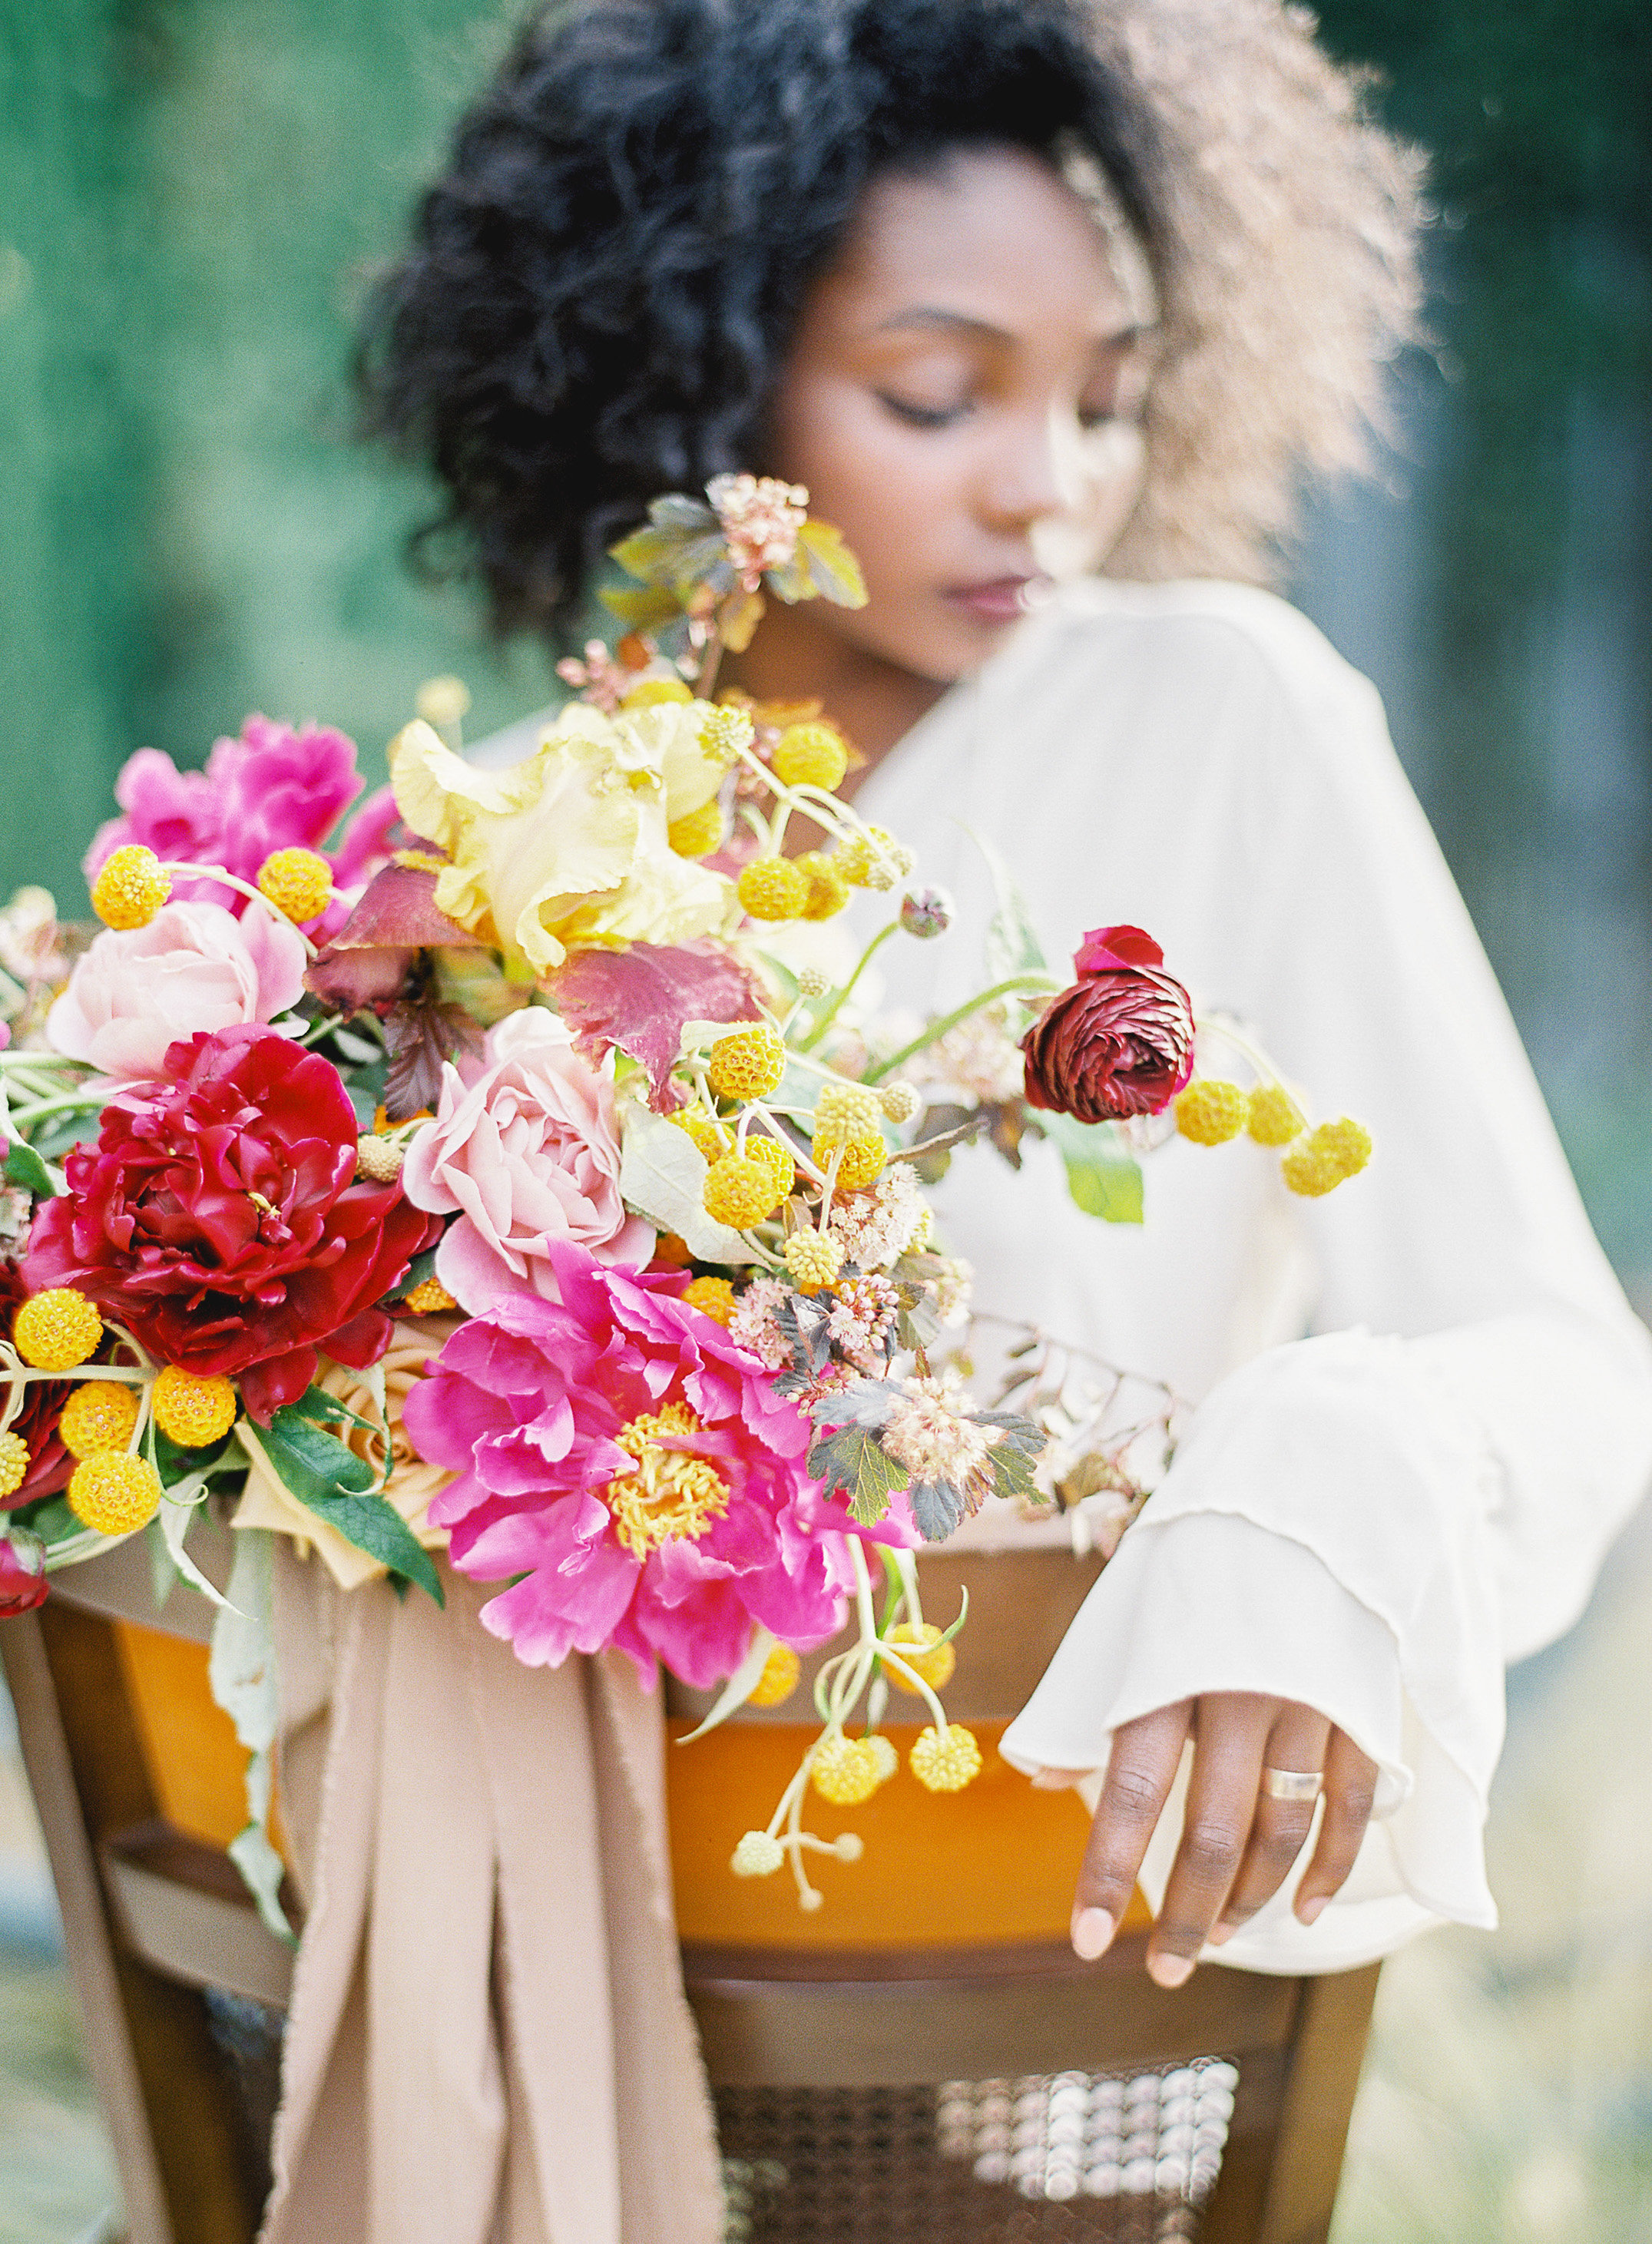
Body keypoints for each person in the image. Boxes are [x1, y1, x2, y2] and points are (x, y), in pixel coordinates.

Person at [257, 3, 1652, 2239]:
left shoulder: (1227, 716)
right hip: (533, 2053)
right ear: (697, 373)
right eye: (938, 393)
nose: (1051, 486)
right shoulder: (490, 844)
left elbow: (1572, 1378)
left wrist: (1329, 1465)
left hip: (1053, 2089)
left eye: (1104, 397)